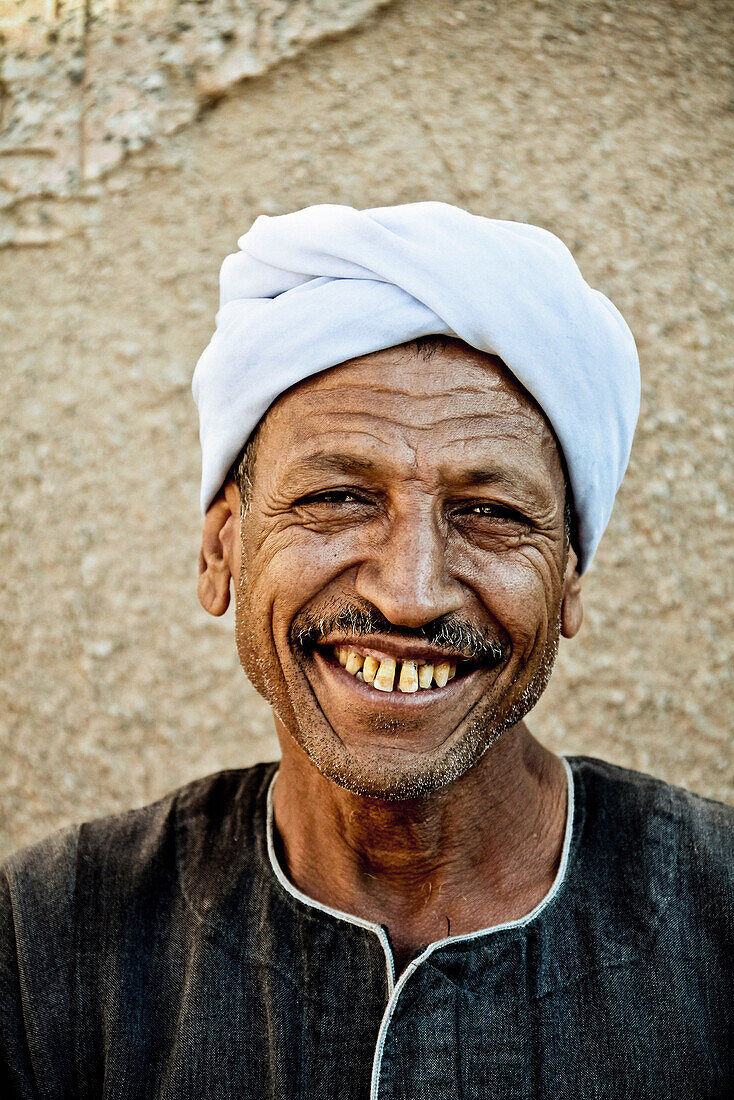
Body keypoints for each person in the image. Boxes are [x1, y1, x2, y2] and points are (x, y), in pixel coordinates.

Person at [1, 203, 731, 1098]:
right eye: (339, 497)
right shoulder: (47, 948)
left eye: (491, 514)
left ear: (570, 578)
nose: (410, 592)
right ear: (222, 549)